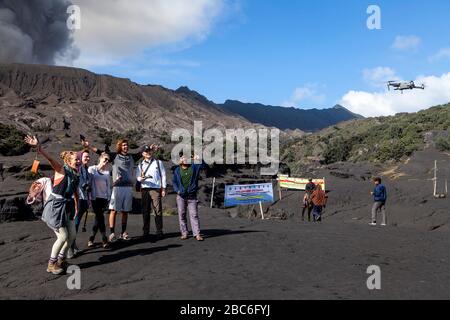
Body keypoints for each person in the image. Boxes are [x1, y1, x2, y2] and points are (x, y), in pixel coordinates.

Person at [24, 135, 79, 275]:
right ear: (68, 161)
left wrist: (77, 205)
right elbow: (50, 159)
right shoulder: (61, 170)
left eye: (79, 159)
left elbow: (75, 191)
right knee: (62, 236)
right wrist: (39, 148)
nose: (78, 161)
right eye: (76, 159)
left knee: (72, 235)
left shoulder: (75, 174)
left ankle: (61, 260)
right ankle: (51, 264)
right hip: (55, 206)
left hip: (67, 206)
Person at [82, 138, 141, 242]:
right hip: (117, 187)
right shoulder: (114, 156)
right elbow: (101, 153)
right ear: (120, 146)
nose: (125, 147)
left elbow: (141, 153)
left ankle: (123, 233)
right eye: (123, 145)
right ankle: (112, 232)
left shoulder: (132, 157)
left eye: (126, 145)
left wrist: (151, 148)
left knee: (125, 211)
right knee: (113, 210)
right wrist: (89, 146)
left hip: (128, 187)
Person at [173, 153, 207, 241]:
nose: (185, 159)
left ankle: (197, 234)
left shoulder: (194, 167)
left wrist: (199, 159)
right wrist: (178, 190)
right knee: (182, 215)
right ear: (180, 160)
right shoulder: (177, 170)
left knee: (194, 215)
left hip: (192, 196)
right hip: (181, 196)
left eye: (186, 157)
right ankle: (184, 233)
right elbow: (174, 182)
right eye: (183, 157)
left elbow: (204, 166)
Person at [136, 145, 167, 240]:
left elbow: (163, 175)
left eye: (149, 151)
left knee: (157, 210)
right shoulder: (140, 164)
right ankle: (146, 231)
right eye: (146, 151)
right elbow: (137, 177)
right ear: (143, 154)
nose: (148, 152)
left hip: (155, 189)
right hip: (145, 189)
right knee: (145, 211)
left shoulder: (158, 162)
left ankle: (159, 231)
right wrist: (142, 178)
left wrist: (164, 188)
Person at [69, 150, 92, 257]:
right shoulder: (78, 168)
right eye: (85, 156)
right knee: (75, 223)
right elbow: (81, 183)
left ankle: (72, 245)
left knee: (76, 224)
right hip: (76, 199)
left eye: (88, 157)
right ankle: (70, 247)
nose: (87, 158)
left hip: (82, 199)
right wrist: (85, 185)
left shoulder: (85, 169)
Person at [87, 153, 112, 248]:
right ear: (100, 159)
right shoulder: (92, 169)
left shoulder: (106, 173)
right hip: (94, 198)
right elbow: (89, 182)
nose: (106, 161)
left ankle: (91, 238)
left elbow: (108, 186)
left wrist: (108, 198)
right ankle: (104, 239)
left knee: (98, 218)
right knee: (100, 217)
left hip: (103, 198)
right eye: (105, 159)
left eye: (108, 160)